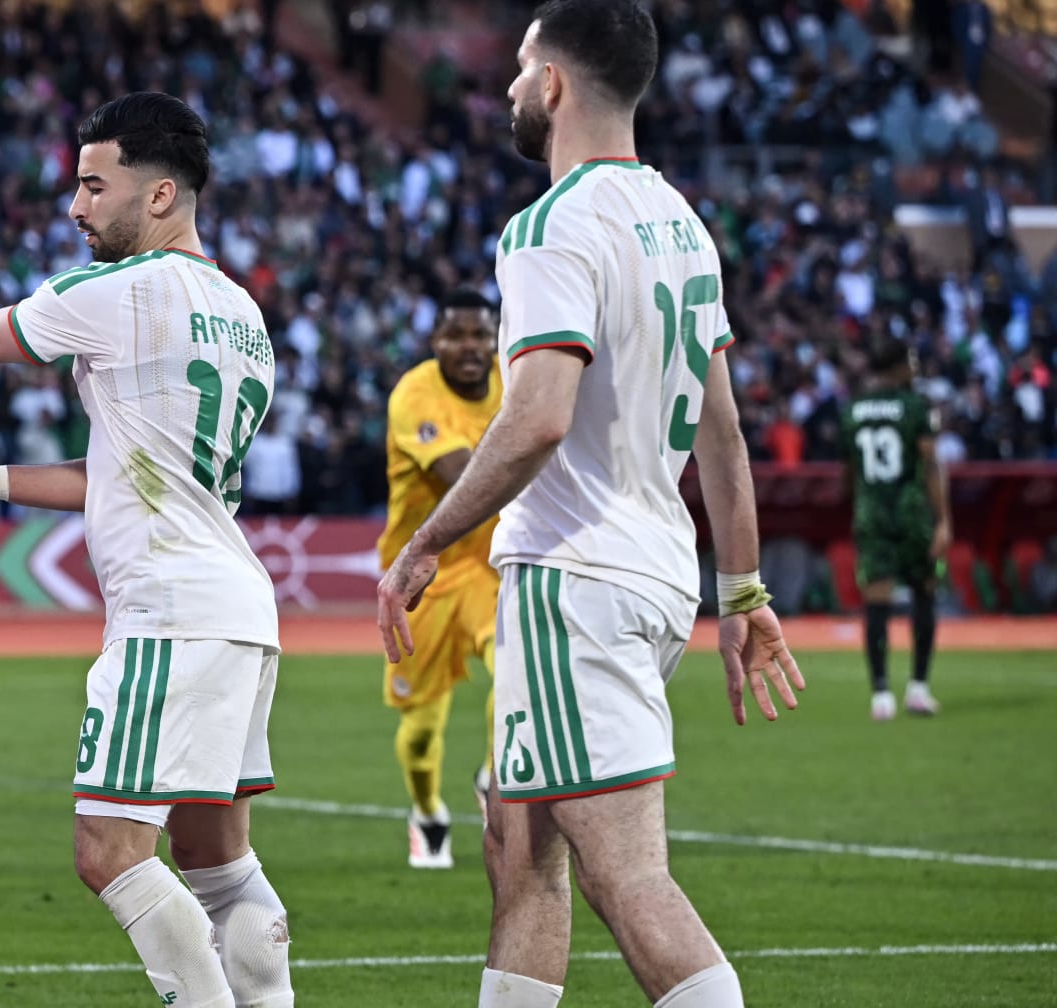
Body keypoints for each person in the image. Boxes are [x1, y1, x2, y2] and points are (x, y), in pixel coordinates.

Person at [0, 92, 294, 1008]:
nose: (75, 207)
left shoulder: (120, 290)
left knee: (109, 851)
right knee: (216, 860)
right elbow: (131, 467)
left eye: (93, 185)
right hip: (237, 608)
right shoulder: (243, 314)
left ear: (160, 195)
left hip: (166, 611)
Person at [375, 3, 805, 1006]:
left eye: (522, 68)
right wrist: (743, 590)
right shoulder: (683, 226)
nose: (510, 87)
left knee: (626, 877)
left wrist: (426, 543)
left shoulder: (551, 225)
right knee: (516, 836)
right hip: (651, 573)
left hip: (574, 579)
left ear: (555, 83)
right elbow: (724, 436)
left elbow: (536, 419)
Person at [377, 288, 503, 870]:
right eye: (457, 335)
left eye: (481, 335)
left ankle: (493, 777)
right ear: (436, 342)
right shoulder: (415, 395)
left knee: (517, 674)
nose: (470, 347)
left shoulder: (515, 382)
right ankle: (427, 813)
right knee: (423, 729)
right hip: (421, 577)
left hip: (490, 567)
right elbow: (465, 478)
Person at [841, 340, 949, 720]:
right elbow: (931, 464)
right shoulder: (915, 407)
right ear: (898, 366)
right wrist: (943, 520)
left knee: (876, 601)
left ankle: (881, 695)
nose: (915, 368)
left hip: (871, 513)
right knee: (924, 592)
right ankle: (918, 688)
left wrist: (860, 508)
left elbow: (848, 472)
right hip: (911, 512)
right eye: (912, 361)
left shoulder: (852, 410)